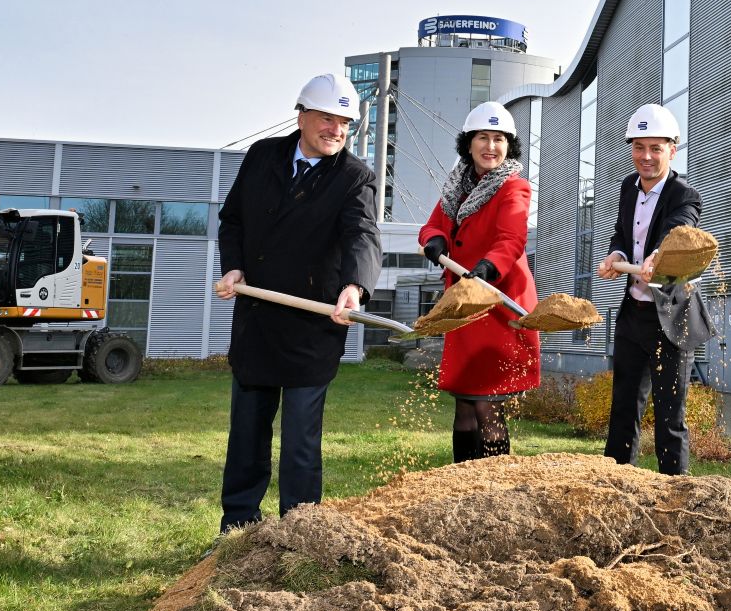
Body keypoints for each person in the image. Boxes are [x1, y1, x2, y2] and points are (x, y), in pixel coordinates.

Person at [214, 73, 381, 534]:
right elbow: (233, 221)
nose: (337, 130)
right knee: (246, 432)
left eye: (345, 122)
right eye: (328, 118)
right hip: (257, 318)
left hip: (313, 326)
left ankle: (299, 533)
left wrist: (355, 287)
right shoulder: (262, 156)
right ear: (302, 114)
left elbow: (362, 236)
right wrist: (234, 267)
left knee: (301, 443)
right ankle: (238, 527)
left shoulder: (354, 177)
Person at [418, 102, 541, 463]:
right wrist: (433, 240)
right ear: (468, 144)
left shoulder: (513, 187)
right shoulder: (457, 185)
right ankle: (461, 484)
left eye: (499, 139)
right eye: (483, 138)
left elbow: (511, 239)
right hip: (464, 309)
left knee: (488, 405)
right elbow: (434, 225)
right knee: (464, 406)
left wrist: (487, 269)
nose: (491, 146)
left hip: (497, 303)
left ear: (509, 146)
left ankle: (495, 490)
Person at [596, 103, 714, 475]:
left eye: (656, 148)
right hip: (633, 314)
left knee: (670, 416)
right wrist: (616, 255)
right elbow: (622, 233)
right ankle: (617, 486)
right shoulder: (628, 188)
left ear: (672, 149)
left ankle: (675, 496)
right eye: (639, 147)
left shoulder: (684, 194)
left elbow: (680, 229)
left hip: (671, 318)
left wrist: (659, 256)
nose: (646, 157)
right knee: (623, 409)